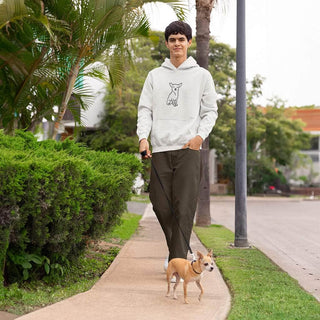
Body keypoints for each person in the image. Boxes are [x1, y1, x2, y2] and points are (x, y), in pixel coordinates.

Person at [137, 21, 218, 265]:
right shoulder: (155, 75)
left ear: (189, 42)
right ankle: (180, 249)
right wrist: (143, 137)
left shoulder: (202, 76)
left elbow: (211, 111)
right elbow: (145, 109)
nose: (177, 44)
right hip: (160, 149)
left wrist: (199, 137)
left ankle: (177, 259)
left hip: (188, 150)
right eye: (172, 39)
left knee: (184, 209)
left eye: (181, 39)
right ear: (167, 43)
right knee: (161, 205)